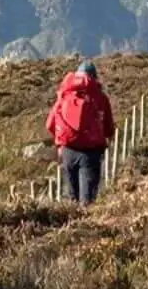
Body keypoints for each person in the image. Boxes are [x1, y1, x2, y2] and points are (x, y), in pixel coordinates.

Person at [46, 59, 115, 206]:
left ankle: (72, 226)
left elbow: (49, 124)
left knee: (72, 200)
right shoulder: (100, 98)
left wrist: (61, 142)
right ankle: (86, 227)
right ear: (94, 77)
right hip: (91, 154)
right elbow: (109, 128)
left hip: (68, 152)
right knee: (88, 202)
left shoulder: (65, 95)